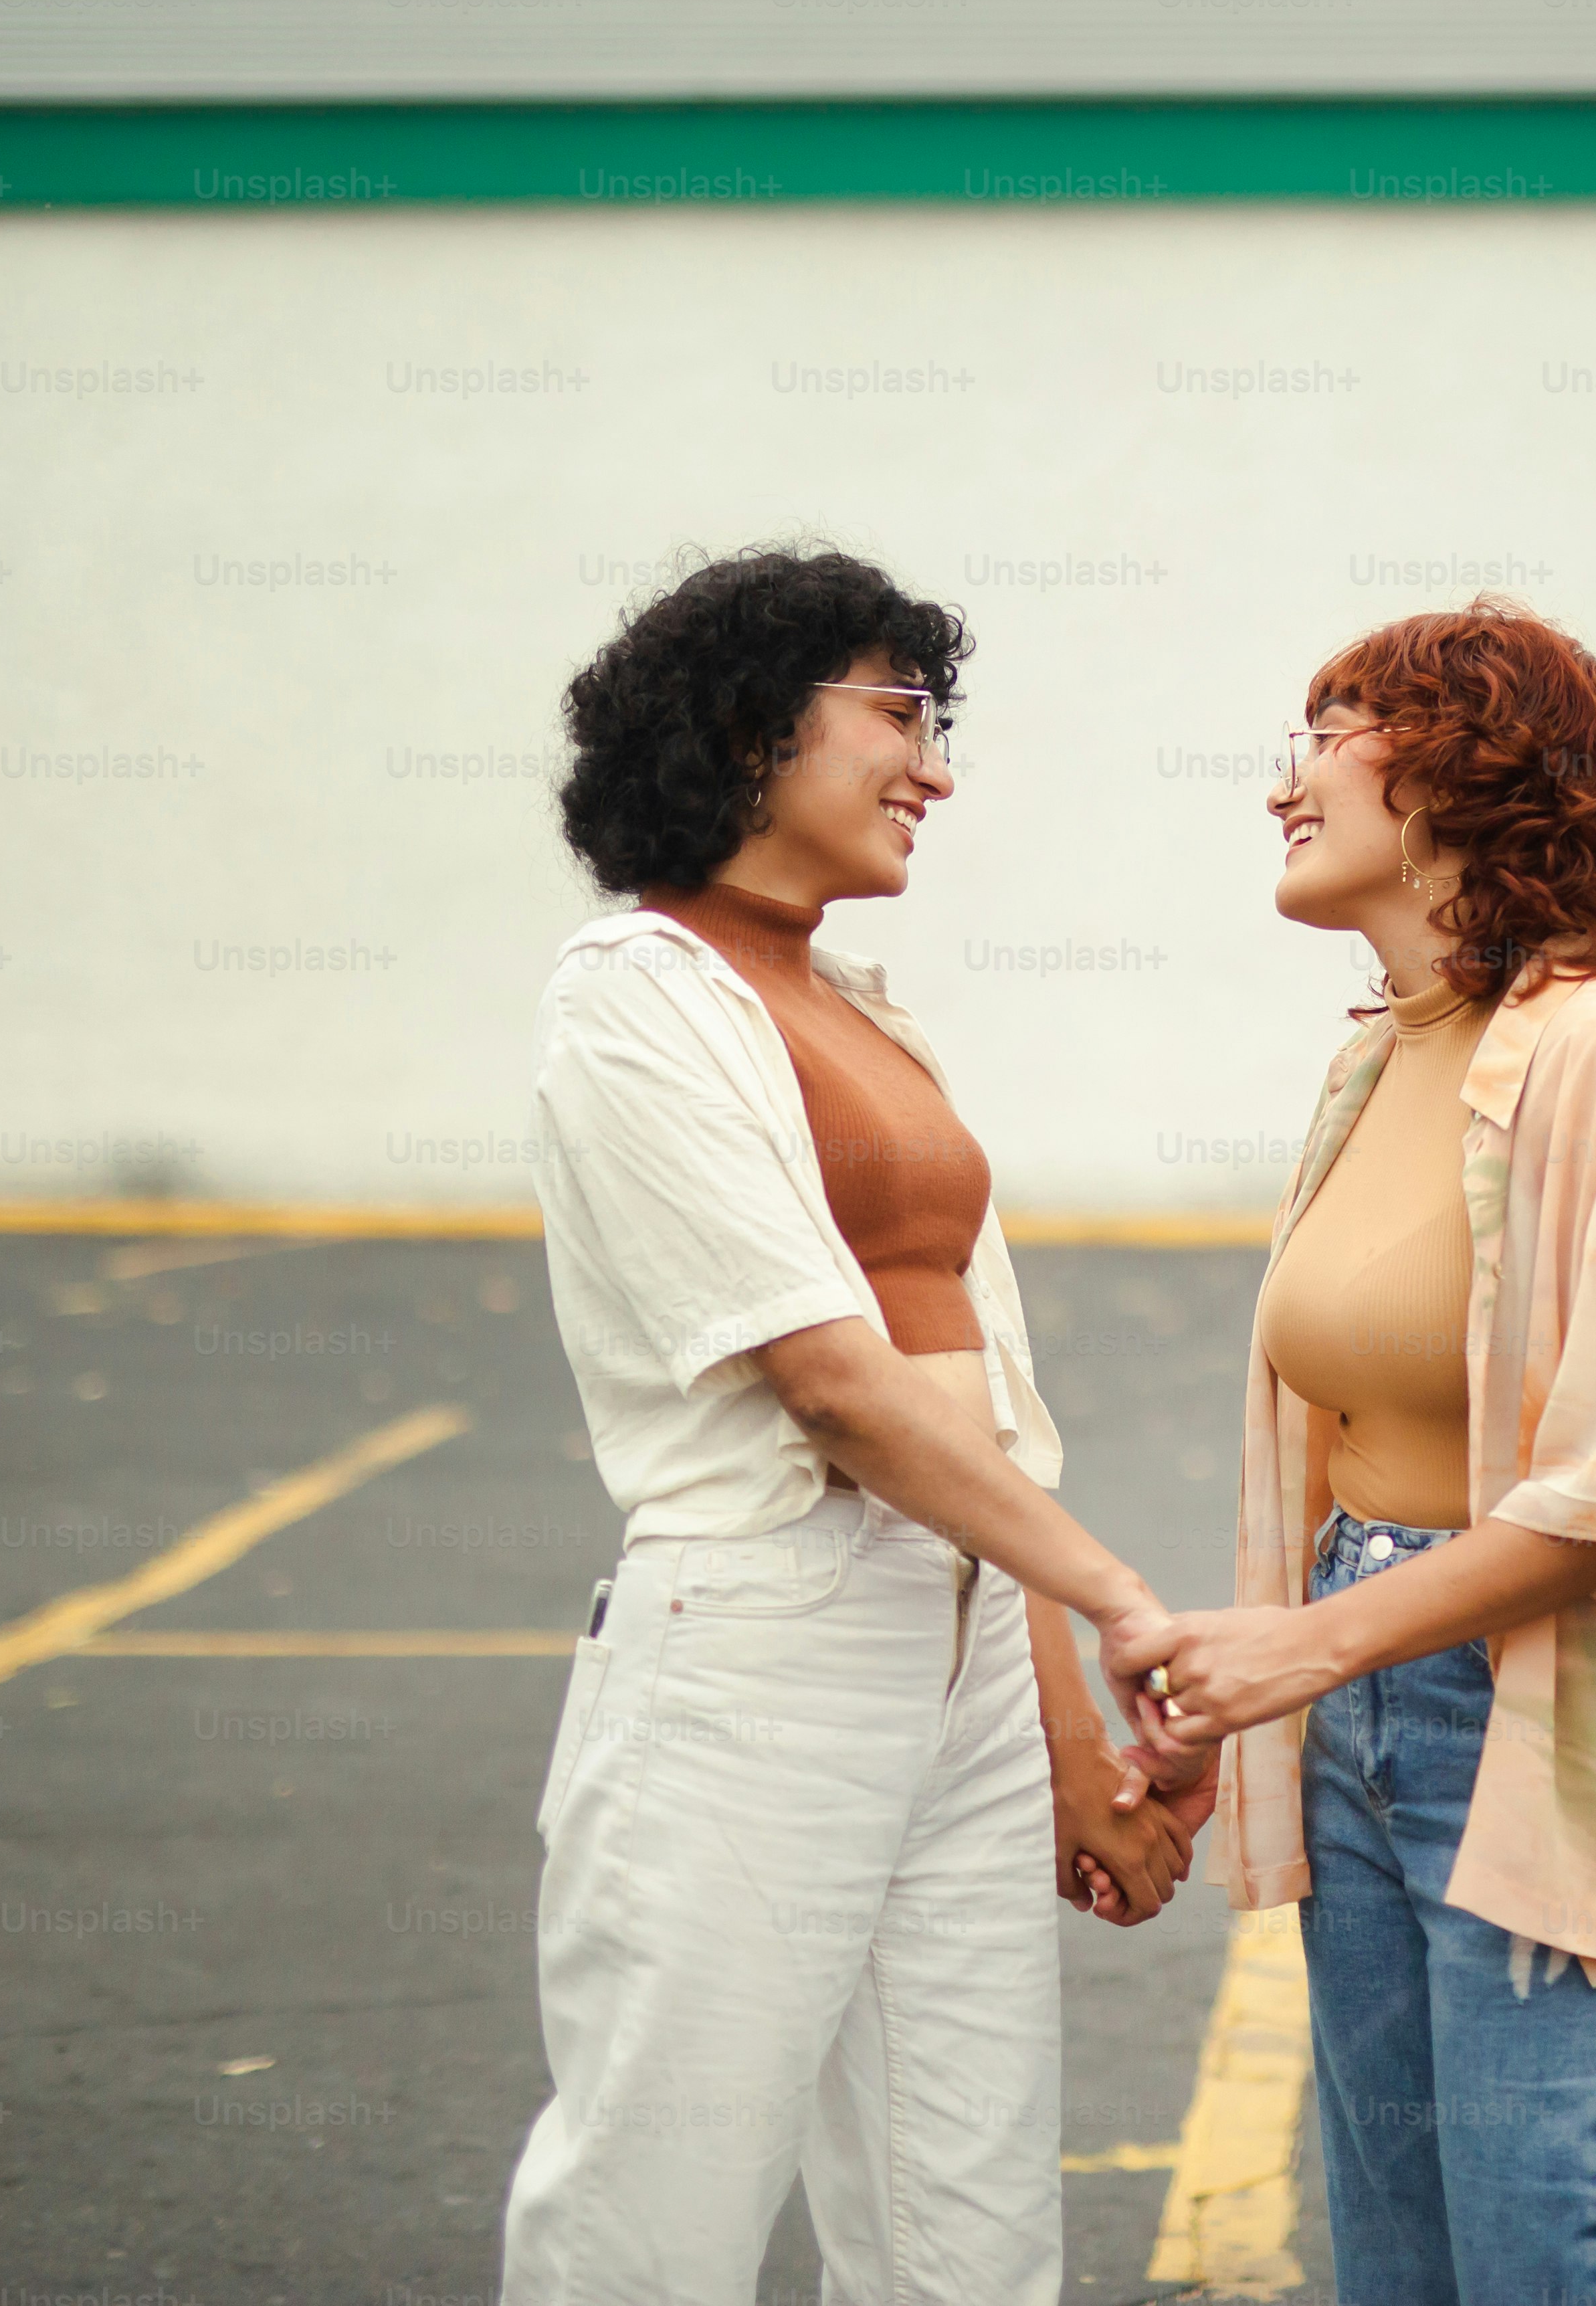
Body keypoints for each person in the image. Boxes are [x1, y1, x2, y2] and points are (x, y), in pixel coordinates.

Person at [503, 546, 1187, 2306]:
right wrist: (1119, 1600)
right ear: (745, 731)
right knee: (658, 2216)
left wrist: (1052, 1728)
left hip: (953, 1652)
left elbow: (986, 1425)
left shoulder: (868, 1015)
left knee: (964, 2224)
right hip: (760, 1649)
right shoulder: (639, 996)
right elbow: (831, 1383)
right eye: (898, 716)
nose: (935, 771)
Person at [1123, 598, 1596, 2306]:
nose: (1285, 777)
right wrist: (1267, 1674)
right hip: (1362, 1697)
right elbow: (1343, 1442)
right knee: (1402, 2275)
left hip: (1536, 1711)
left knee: (1551, 2273)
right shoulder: (1373, 1065)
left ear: (1467, 769)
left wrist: (1302, 1650)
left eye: (1333, 730)